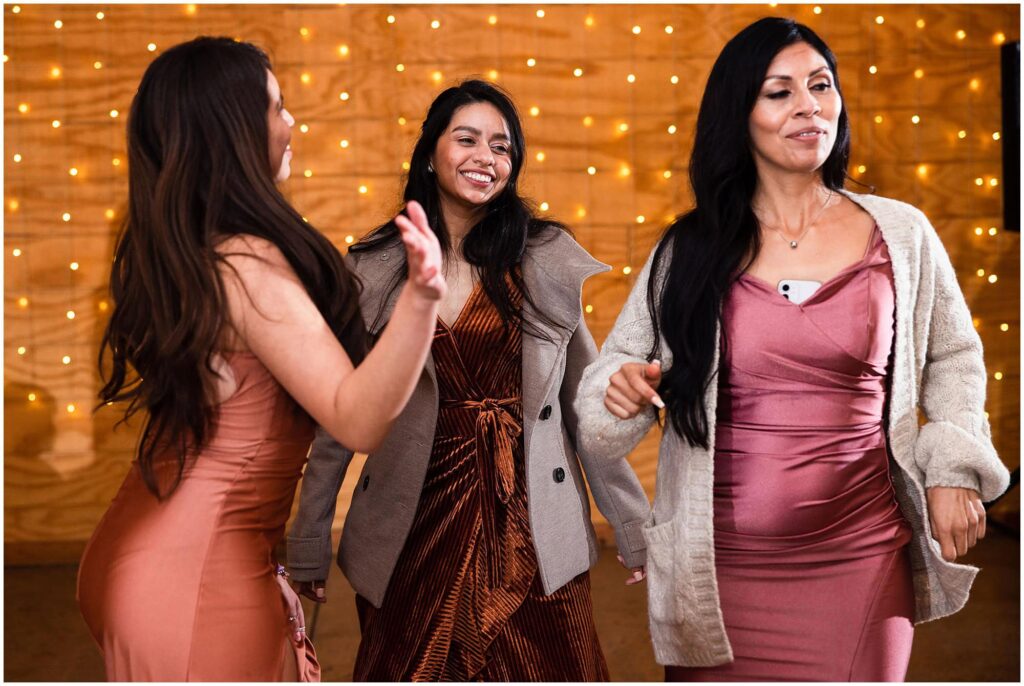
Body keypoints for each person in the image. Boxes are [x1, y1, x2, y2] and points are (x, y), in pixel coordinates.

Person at [573, 17, 1010, 682]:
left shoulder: (901, 234)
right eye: (780, 92)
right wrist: (618, 386)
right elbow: (613, 387)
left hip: (860, 559)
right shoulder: (688, 251)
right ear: (738, 115)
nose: (809, 105)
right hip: (718, 573)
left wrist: (952, 465)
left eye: (821, 85)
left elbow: (952, 355)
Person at [76, 36, 445, 681]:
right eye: (277, 107)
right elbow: (356, 420)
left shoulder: (195, 250)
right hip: (195, 572)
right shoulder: (244, 262)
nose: (292, 122)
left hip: (149, 549)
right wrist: (421, 298)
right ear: (235, 129)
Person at [286, 79, 650, 681]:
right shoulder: (374, 266)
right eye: (467, 139)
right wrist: (309, 536)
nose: (486, 157)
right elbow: (336, 417)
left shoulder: (543, 256)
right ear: (431, 151)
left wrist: (632, 526)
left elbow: (585, 408)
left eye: (502, 147)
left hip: (532, 515)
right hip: (414, 520)